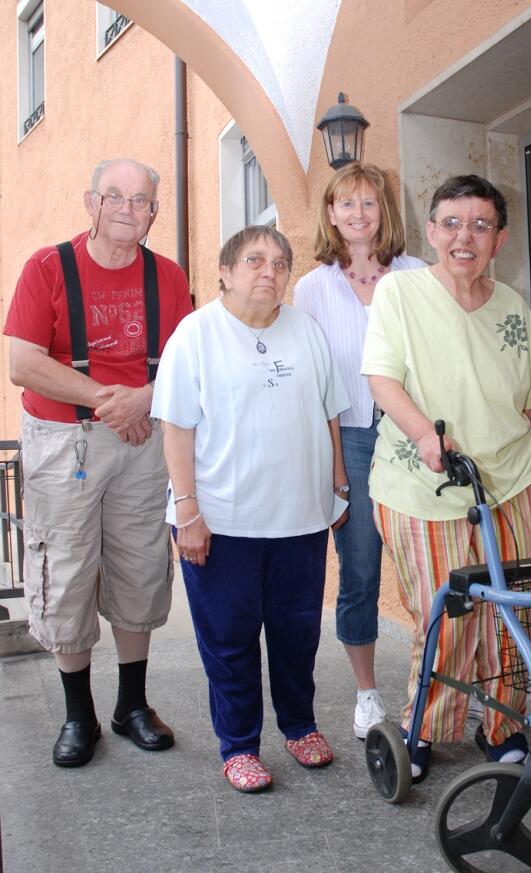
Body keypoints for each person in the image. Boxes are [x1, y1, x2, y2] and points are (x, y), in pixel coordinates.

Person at [361, 174, 531, 781]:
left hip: (512, 482)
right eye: (451, 223)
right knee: (448, 616)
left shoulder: (512, 305)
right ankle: (423, 730)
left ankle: (505, 724)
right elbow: (383, 380)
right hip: (426, 486)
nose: (464, 236)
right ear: (433, 231)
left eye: (480, 225)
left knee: (517, 610)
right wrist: (425, 434)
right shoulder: (400, 293)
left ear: (500, 238)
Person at [4, 158, 192, 767]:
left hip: (144, 438)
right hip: (67, 441)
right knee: (67, 568)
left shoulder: (167, 275)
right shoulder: (45, 267)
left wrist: (146, 398)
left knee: (140, 564)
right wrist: (110, 402)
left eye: (140, 200)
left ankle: (131, 705)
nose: (126, 209)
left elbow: (185, 364)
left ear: (153, 213)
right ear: (91, 202)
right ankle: (78, 714)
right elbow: (23, 363)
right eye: (114, 196)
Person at [151, 225, 350, 793]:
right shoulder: (195, 335)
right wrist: (186, 510)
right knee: (230, 638)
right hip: (221, 522)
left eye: (281, 263)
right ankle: (238, 745)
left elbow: (330, 412)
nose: (270, 271)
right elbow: (176, 429)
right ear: (225, 271)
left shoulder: (305, 330)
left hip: (300, 519)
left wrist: (338, 484)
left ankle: (299, 725)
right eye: (255, 260)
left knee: (296, 633)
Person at [293, 163, 424, 740]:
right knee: (362, 567)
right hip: (348, 437)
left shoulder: (417, 275)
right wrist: (336, 475)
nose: (358, 214)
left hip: (411, 438)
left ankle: (437, 683)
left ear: (384, 212)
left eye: (369, 204)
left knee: (429, 564)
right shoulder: (313, 288)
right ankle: (368, 694)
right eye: (346, 204)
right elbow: (317, 386)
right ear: (330, 214)